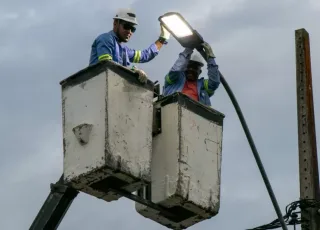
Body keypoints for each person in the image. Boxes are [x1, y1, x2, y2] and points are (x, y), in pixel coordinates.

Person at [89, 8, 170, 83]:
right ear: (115, 23)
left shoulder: (124, 50)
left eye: (132, 29)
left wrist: (162, 38)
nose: (129, 32)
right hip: (97, 86)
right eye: (126, 26)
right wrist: (131, 71)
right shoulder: (106, 39)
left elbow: (145, 55)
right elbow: (107, 65)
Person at [163, 42, 220, 106]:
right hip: (172, 112)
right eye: (189, 66)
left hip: (195, 115)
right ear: (184, 67)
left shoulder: (203, 86)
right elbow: (176, 69)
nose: (191, 69)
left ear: (200, 72)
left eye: (195, 68)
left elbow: (214, 82)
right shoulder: (174, 79)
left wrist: (210, 58)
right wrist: (189, 49)